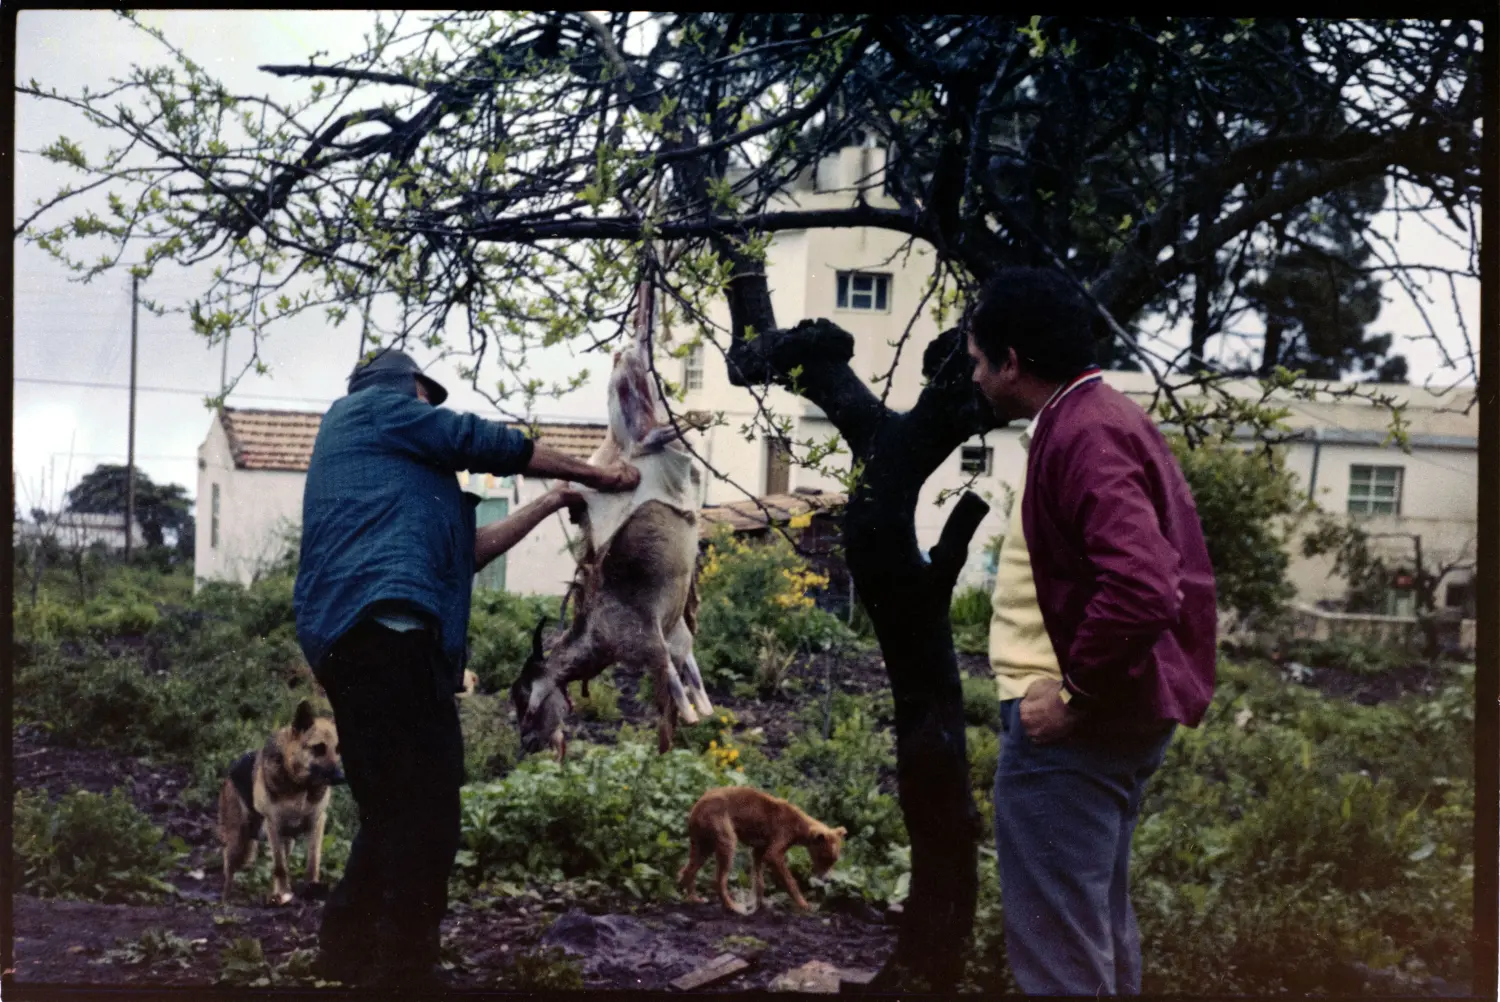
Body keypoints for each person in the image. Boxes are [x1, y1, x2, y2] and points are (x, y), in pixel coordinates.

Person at [294, 348, 639, 990]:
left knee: (393, 809)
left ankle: (345, 957)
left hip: (363, 646)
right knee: (430, 814)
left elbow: (466, 554)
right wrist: (600, 478)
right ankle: (406, 970)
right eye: (427, 397)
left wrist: (551, 500)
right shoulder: (368, 412)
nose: (430, 408)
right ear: (407, 389)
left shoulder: (398, 472)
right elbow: (478, 440)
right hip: (386, 637)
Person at [966, 268, 1217, 996]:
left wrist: (1075, 696)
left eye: (980, 360)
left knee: (1062, 958)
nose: (976, 378)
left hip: (1070, 729)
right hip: (1101, 718)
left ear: (1013, 361)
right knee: (1091, 932)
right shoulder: (1096, 417)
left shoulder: (1085, 434)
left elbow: (1143, 587)